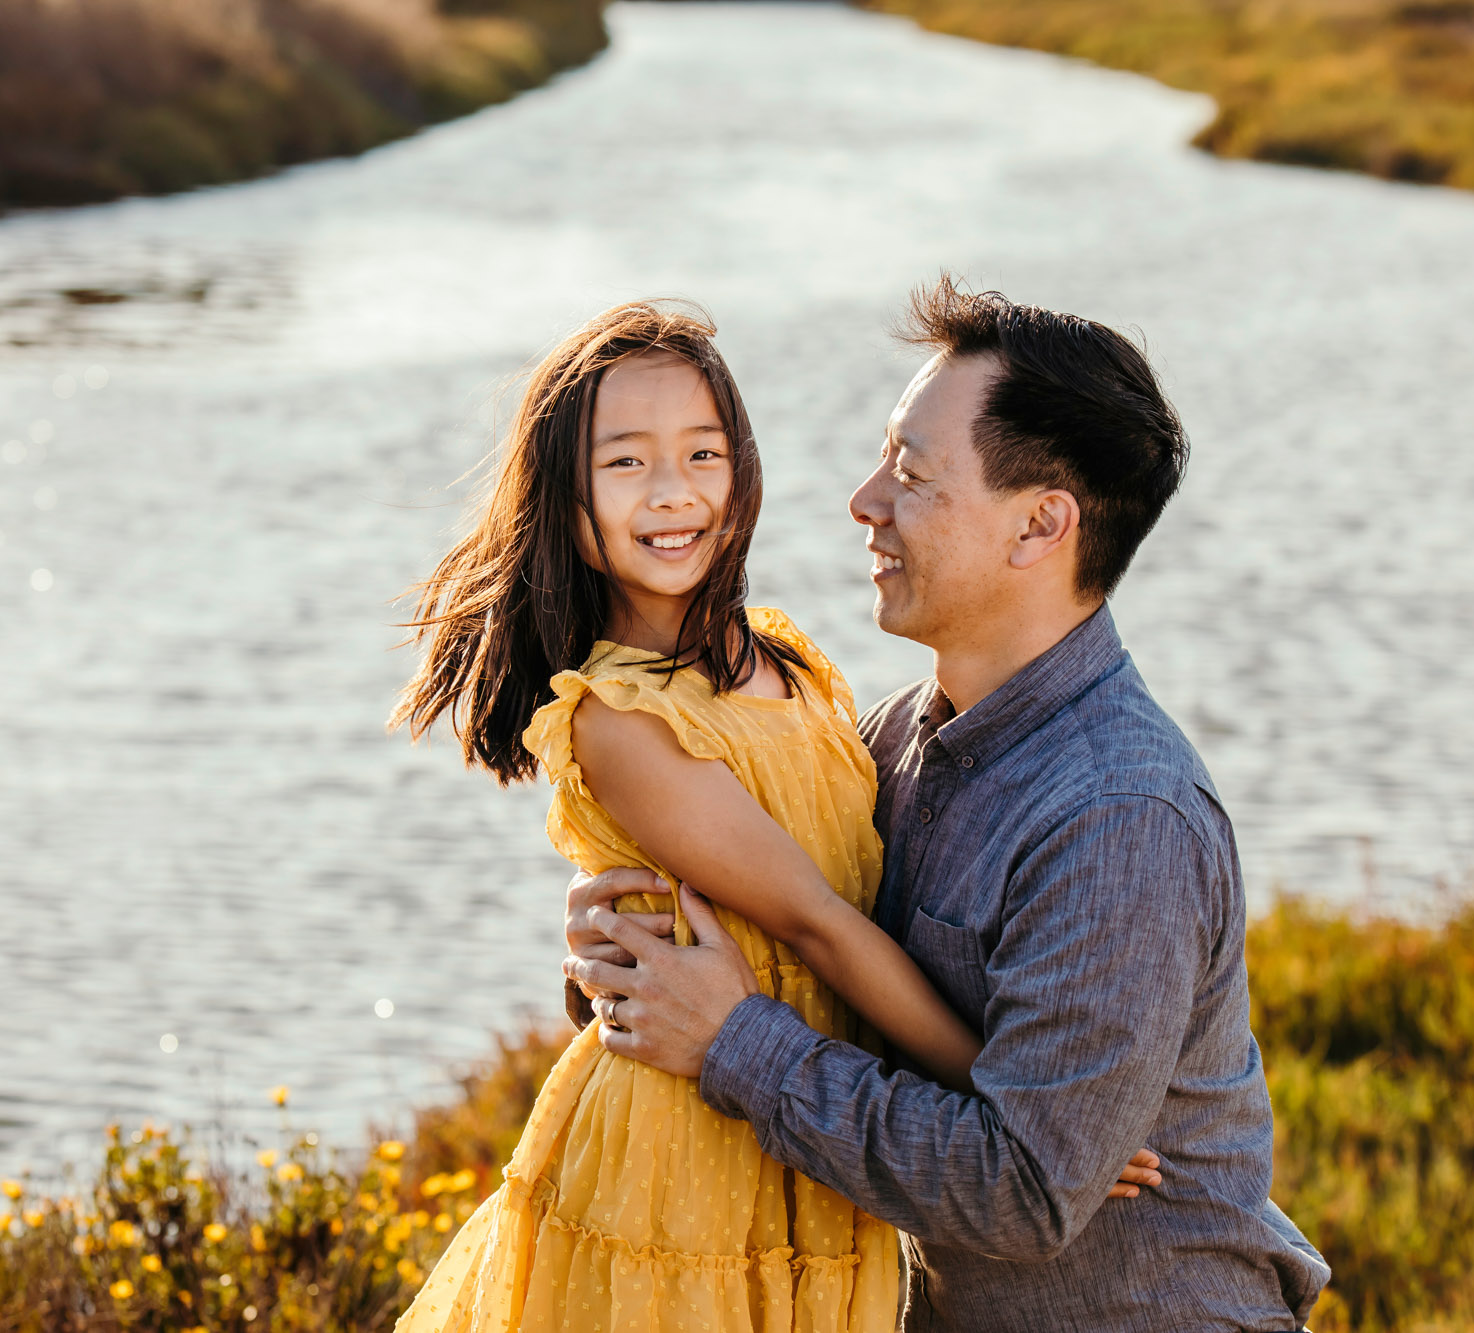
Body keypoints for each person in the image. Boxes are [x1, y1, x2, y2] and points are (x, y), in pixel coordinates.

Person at [562, 283, 1333, 1331]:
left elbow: (1022, 1194)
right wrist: (622, 954)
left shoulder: (1117, 816)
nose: (862, 499)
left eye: (910, 473)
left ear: (1039, 526)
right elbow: (773, 942)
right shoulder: (883, 746)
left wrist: (737, 1043)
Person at [388, 299, 1160, 1333]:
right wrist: (1004, 1101)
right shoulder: (619, 718)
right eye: (623, 464)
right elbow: (811, 919)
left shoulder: (789, 660)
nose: (671, 493)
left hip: (792, 1137)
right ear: (563, 499)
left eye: (701, 452)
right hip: (687, 1155)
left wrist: (1044, 1127)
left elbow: (829, 877)